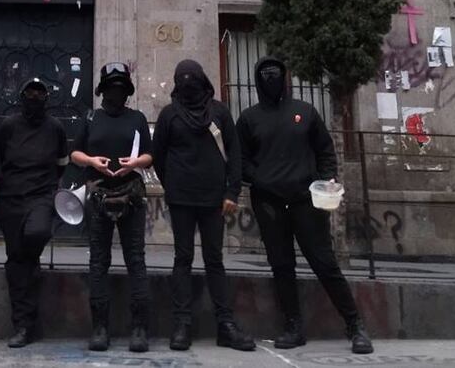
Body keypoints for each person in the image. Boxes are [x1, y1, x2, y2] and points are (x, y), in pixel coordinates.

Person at [235, 57, 374, 355]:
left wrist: (327, 179)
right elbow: (240, 160)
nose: (271, 79)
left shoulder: (305, 112)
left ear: (284, 77)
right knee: (281, 265)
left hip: (306, 201)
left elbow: (325, 150)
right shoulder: (249, 119)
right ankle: (293, 326)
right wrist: (260, 179)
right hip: (269, 202)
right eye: (265, 75)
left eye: (275, 74)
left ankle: (355, 325)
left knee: (324, 262)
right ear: (258, 80)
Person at [151, 60, 255, 352]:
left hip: (215, 200)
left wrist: (232, 191)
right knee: (182, 259)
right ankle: (182, 324)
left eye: (191, 79)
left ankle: (225, 325)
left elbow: (235, 153)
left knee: (214, 260)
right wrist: (172, 185)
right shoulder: (169, 114)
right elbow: (158, 155)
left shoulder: (219, 112)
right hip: (181, 199)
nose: (187, 83)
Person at [70, 62, 153, 353]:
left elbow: (150, 155)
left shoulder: (137, 118)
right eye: (111, 87)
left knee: (135, 260)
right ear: (103, 90)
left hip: (131, 194)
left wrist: (136, 163)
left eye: (121, 87)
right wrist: (92, 162)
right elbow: (75, 153)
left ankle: (139, 328)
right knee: (98, 261)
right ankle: (100, 327)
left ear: (127, 90)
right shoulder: (91, 117)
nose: (116, 92)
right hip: (98, 195)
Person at [0, 78, 69, 348]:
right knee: (17, 262)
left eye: (40, 93)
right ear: (22, 96)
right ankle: (23, 325)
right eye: (30, 93)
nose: (35, 97)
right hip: (11, 199)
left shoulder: (55, 128)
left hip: (41, 196)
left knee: (36, 233)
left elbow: (62, 163)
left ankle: (29, 268)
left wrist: (48, 187)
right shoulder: (8, 126)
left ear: (47, 98)